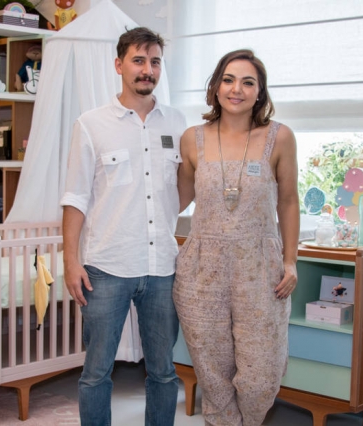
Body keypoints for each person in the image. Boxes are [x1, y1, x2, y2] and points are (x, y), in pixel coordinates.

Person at [60, 27, 187, 426]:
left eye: (155, 62)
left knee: (164, 371)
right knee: (97, 372)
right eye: (138, 60)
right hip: (107, 265)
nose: (147, 70)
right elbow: (75, 197)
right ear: (119, 65)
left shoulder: (178, 124)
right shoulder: (91, 124)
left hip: (162, 266)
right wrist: (70, 261)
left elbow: (182, 188)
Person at [173, 49, 300, 425]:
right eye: (228, 80)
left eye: (248, 82)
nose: (236, 89)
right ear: (215, 87)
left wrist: (291, 261)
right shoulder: (192, 139)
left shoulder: (279, 137)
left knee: (260, 379)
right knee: (213, 377)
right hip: (201, 270)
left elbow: (289, 201)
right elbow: (176, 200)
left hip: (260, 268)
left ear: (260, 92)